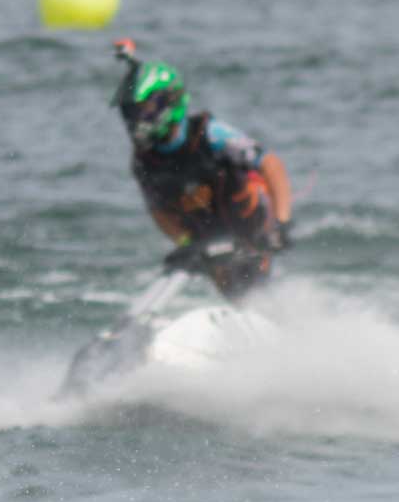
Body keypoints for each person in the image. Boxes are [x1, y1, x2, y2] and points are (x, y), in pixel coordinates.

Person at [110, 40, 294, 304]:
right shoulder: (143, 161)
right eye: (130, 113)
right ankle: (241, 313)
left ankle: (272, 311)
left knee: (255, 282)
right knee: (233, 291)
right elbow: (159, 212)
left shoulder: (210, 134)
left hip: (250, 221)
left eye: (142, 111)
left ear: (169, 102)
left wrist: (281, 222)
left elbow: (271, 164)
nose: (135, 120)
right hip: (205, 231)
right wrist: (186, 243)